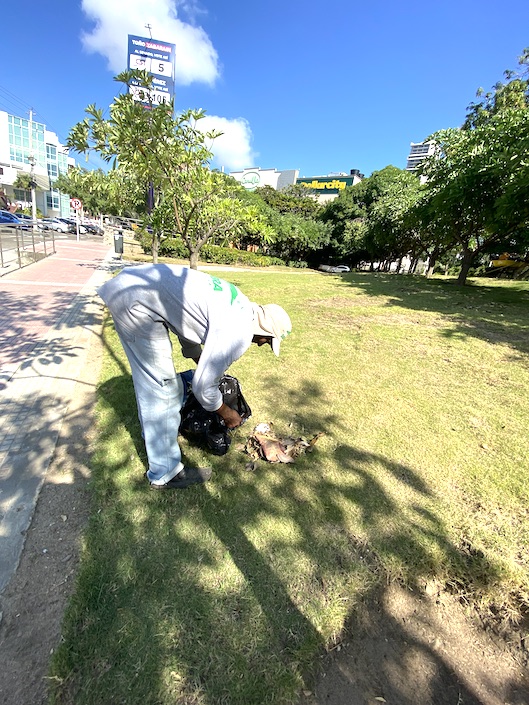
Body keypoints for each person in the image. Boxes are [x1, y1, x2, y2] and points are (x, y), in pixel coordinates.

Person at [98, 264, 292, 490]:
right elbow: (203, 388)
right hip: (135, 300)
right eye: (267, 341)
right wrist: (226, 412)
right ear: (265, 332)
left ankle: (154, 434)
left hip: (136, 284)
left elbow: (185, 318)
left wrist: (199, 358)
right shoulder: (239, 333)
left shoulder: (241, 305)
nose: (262, 345)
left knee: (161, 385)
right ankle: (165, 473)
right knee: (160, 388)